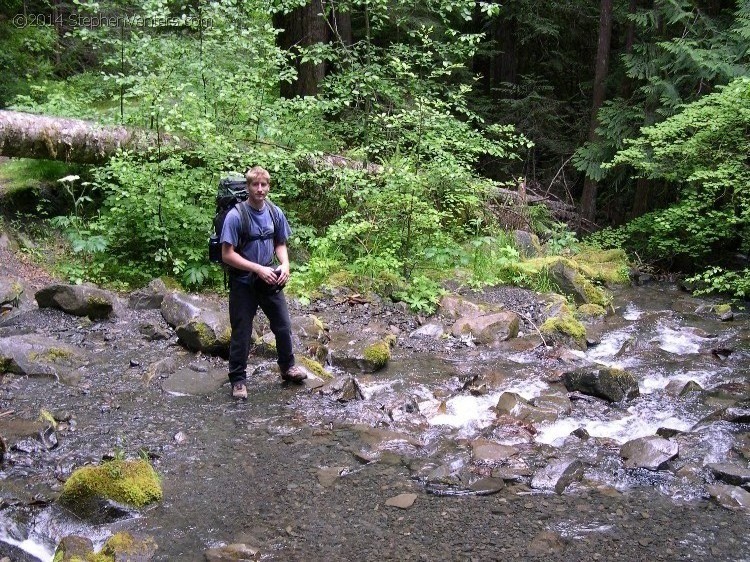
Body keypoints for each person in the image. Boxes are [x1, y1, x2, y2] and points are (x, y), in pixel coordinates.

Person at [220, 165, 306, 399]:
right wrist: (257, 269)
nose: (260, 189)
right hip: (243, 281)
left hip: (269, 278)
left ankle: (287, 367)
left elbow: (280, 243)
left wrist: (285, 265)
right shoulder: (236, 216)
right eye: (255, 185)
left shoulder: (274, 212)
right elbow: (227, 254)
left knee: (283, 325)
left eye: (264, 185)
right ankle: (238, 380)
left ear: (268, 186)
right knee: (242, 332)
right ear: (248, 187)